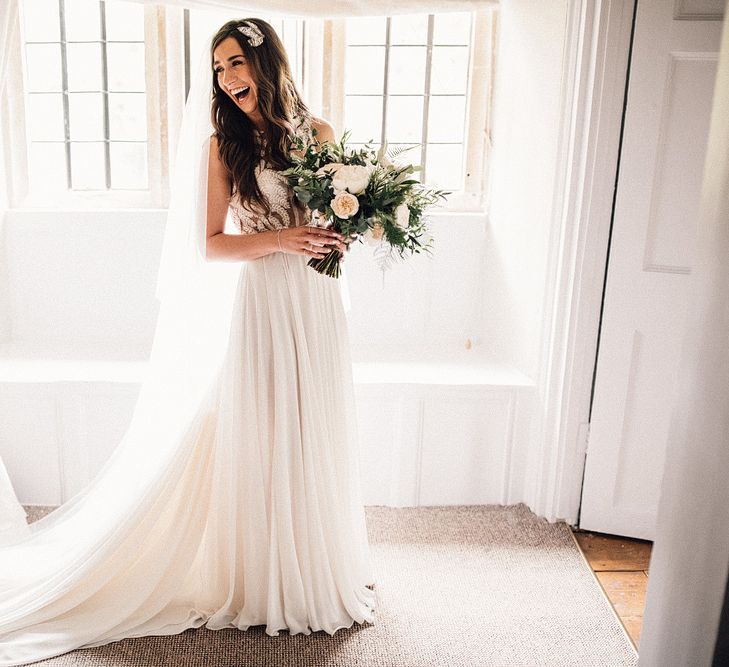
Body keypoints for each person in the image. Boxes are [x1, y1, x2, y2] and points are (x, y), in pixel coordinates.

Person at [0, 18, 376, 666]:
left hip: (313, 304)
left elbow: (332, 216)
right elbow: (210, 243)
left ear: (266, 63)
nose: (227, 79)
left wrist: (339, 231)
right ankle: (263, 579)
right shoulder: (220, 145)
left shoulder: (318, 134)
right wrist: (283, 240)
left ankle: (313, 567)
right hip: (263, 301)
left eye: (235, 63)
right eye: (218, 68)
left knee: (311, 428)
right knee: (262, 432)